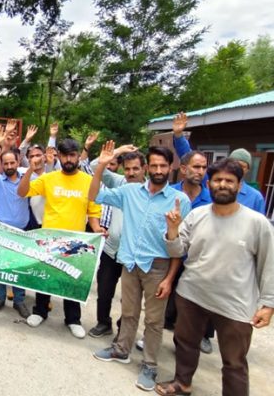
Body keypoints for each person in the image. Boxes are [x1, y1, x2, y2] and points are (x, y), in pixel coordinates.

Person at [155, 158, 274, 396]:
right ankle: (182, 383)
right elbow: (177, 250)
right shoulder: (197, 215)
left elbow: (269, 265)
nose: (223, 185)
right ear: (209, 184)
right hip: (192, 295)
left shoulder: (257, 223)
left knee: (234, 361)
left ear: (239, 186)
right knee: (185, 344)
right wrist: (172, 229)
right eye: (217, 180)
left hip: (235, 305)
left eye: (229, 181)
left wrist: (268, 304)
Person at [90, 141, 191, 392]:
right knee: (129, 313)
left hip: (158, 267)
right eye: (154, 165)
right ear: (147, 167)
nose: (158, 169)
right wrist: (101, 167)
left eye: (163, 165)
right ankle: (121, 349)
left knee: (154, 322)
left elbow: (180, 247)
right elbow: (93, 196)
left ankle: (150, 365)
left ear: (171, 168)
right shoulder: (130, 192)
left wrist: (169, 278)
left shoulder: (179, 201)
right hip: (129, 263)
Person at [18, 138, 104, 339]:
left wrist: (98, 229)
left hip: (75, 241)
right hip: (50, 238)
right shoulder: (49, 178)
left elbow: (93, 210)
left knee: (72, 280)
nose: (68, 159)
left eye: (72, 155)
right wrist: (30, 170)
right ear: (59, 156)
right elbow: (22, 192)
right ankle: (40, 311)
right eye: (64, 155)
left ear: (77, 156)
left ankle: (73, 319)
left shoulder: (87, 181)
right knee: (45, 277)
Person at [86, 148, 147, 338]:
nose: (131, 173)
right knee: (104, 290)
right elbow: (95, 166)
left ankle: (124, 329)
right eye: (127, 169)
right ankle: (103, 323)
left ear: (144, 169)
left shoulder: (151, 190)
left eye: (135, 169)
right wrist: (117, 151)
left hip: (134, 253)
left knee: (130, 298)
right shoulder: (119, 182)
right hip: (112, 248)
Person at [164, 149, 216, 353]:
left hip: (199, 261)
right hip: (171, 255)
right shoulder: (169, 193)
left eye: (204, 167)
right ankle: (165, 328)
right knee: (168, 298)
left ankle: (201, 336)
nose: (201, 171)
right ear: (183, 169)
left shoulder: (212, 199)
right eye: (196, 166)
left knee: (198, 305)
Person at [0, 125, 30, 318]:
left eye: (12, 163)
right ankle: (0, 298)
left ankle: (19, 301)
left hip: (21, 232)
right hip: (0, 230)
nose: (9, 166)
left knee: (18, 267)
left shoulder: (26, 181)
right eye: (6, 163)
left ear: (18, 162)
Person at [172, 112, 266, 214]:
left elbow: (259, 223)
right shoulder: (214, 183)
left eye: (242, 166)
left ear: (247, 170)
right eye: (235, 164)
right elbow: (189, 157)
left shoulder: (255, 197)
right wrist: (178, 136)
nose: (237, 168)